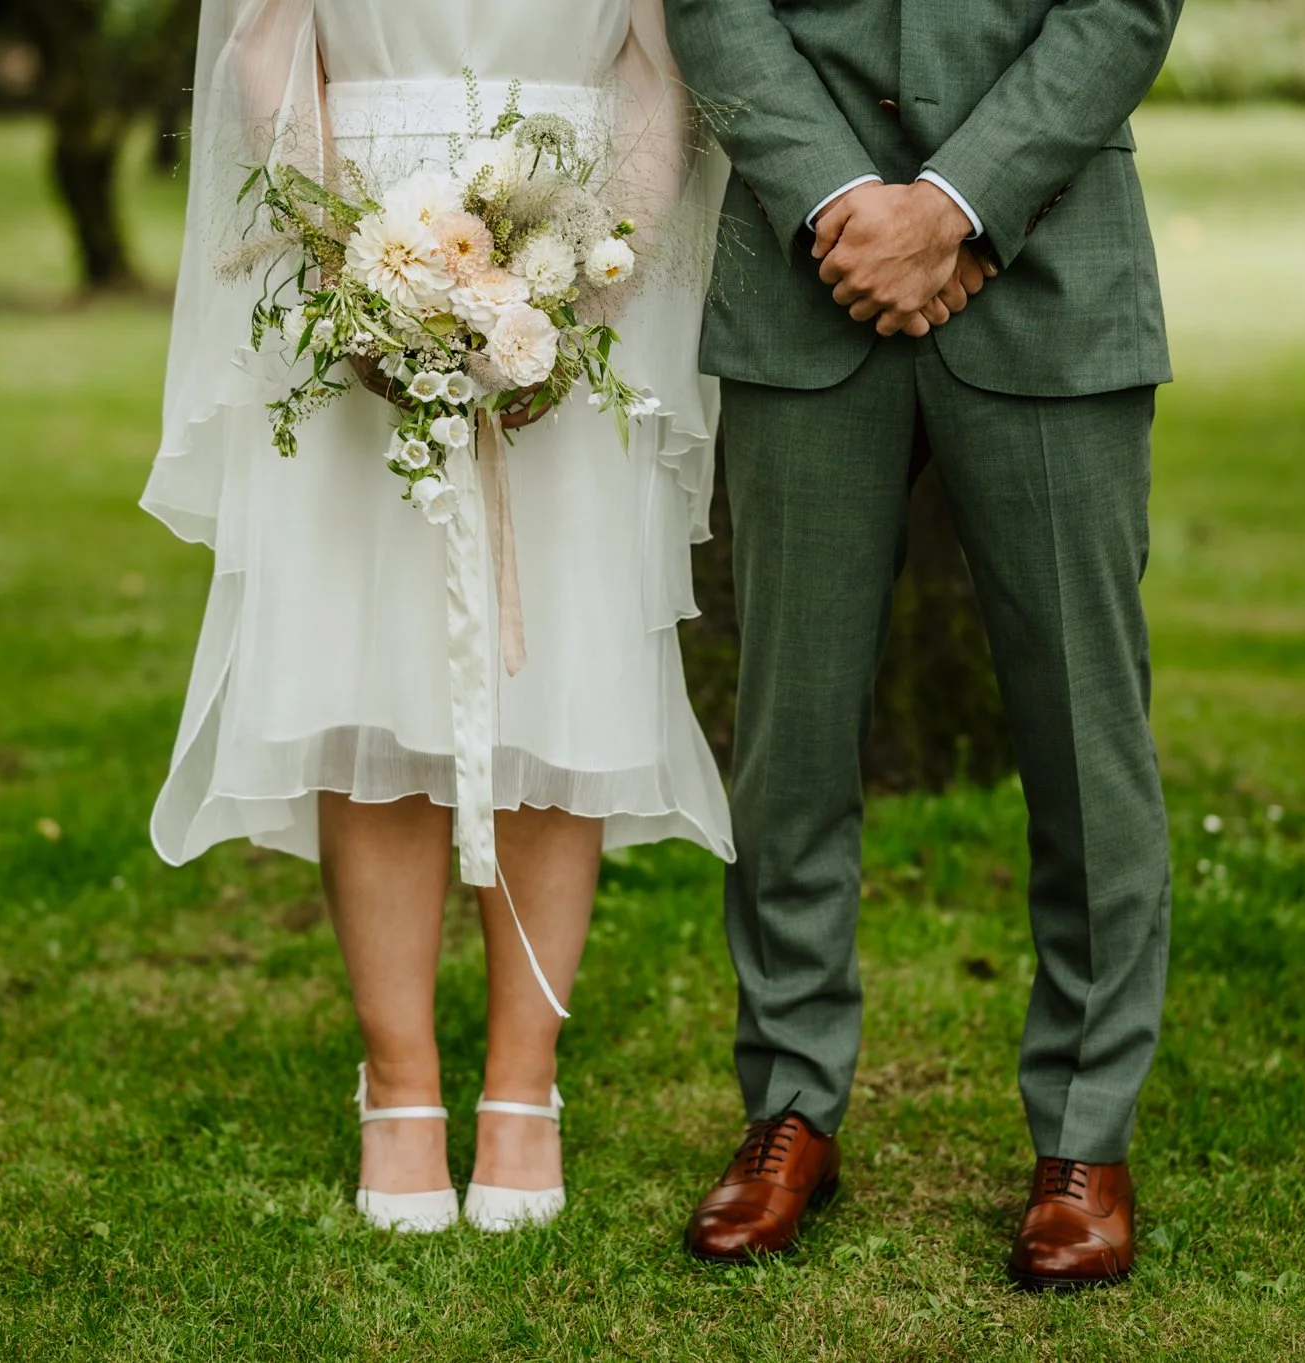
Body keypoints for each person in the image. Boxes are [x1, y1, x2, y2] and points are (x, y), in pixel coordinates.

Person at [144, 0, 731, 1234]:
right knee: (368, 680)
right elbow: (270, 47)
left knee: (559, 677)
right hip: (359, 268)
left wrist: (588, 291)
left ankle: (524, 1086)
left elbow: (655, 75)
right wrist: (347, 273)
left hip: (578, 280)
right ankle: (398, 1082)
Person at [667, 0, 1181, 1290]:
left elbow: (1121, 10)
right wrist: (843, 203)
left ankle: (1084, 1135)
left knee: (1085, 740)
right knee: (787, 738)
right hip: (804, 277)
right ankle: (789, 1108)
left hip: (1053, 273)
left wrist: (957, 205)